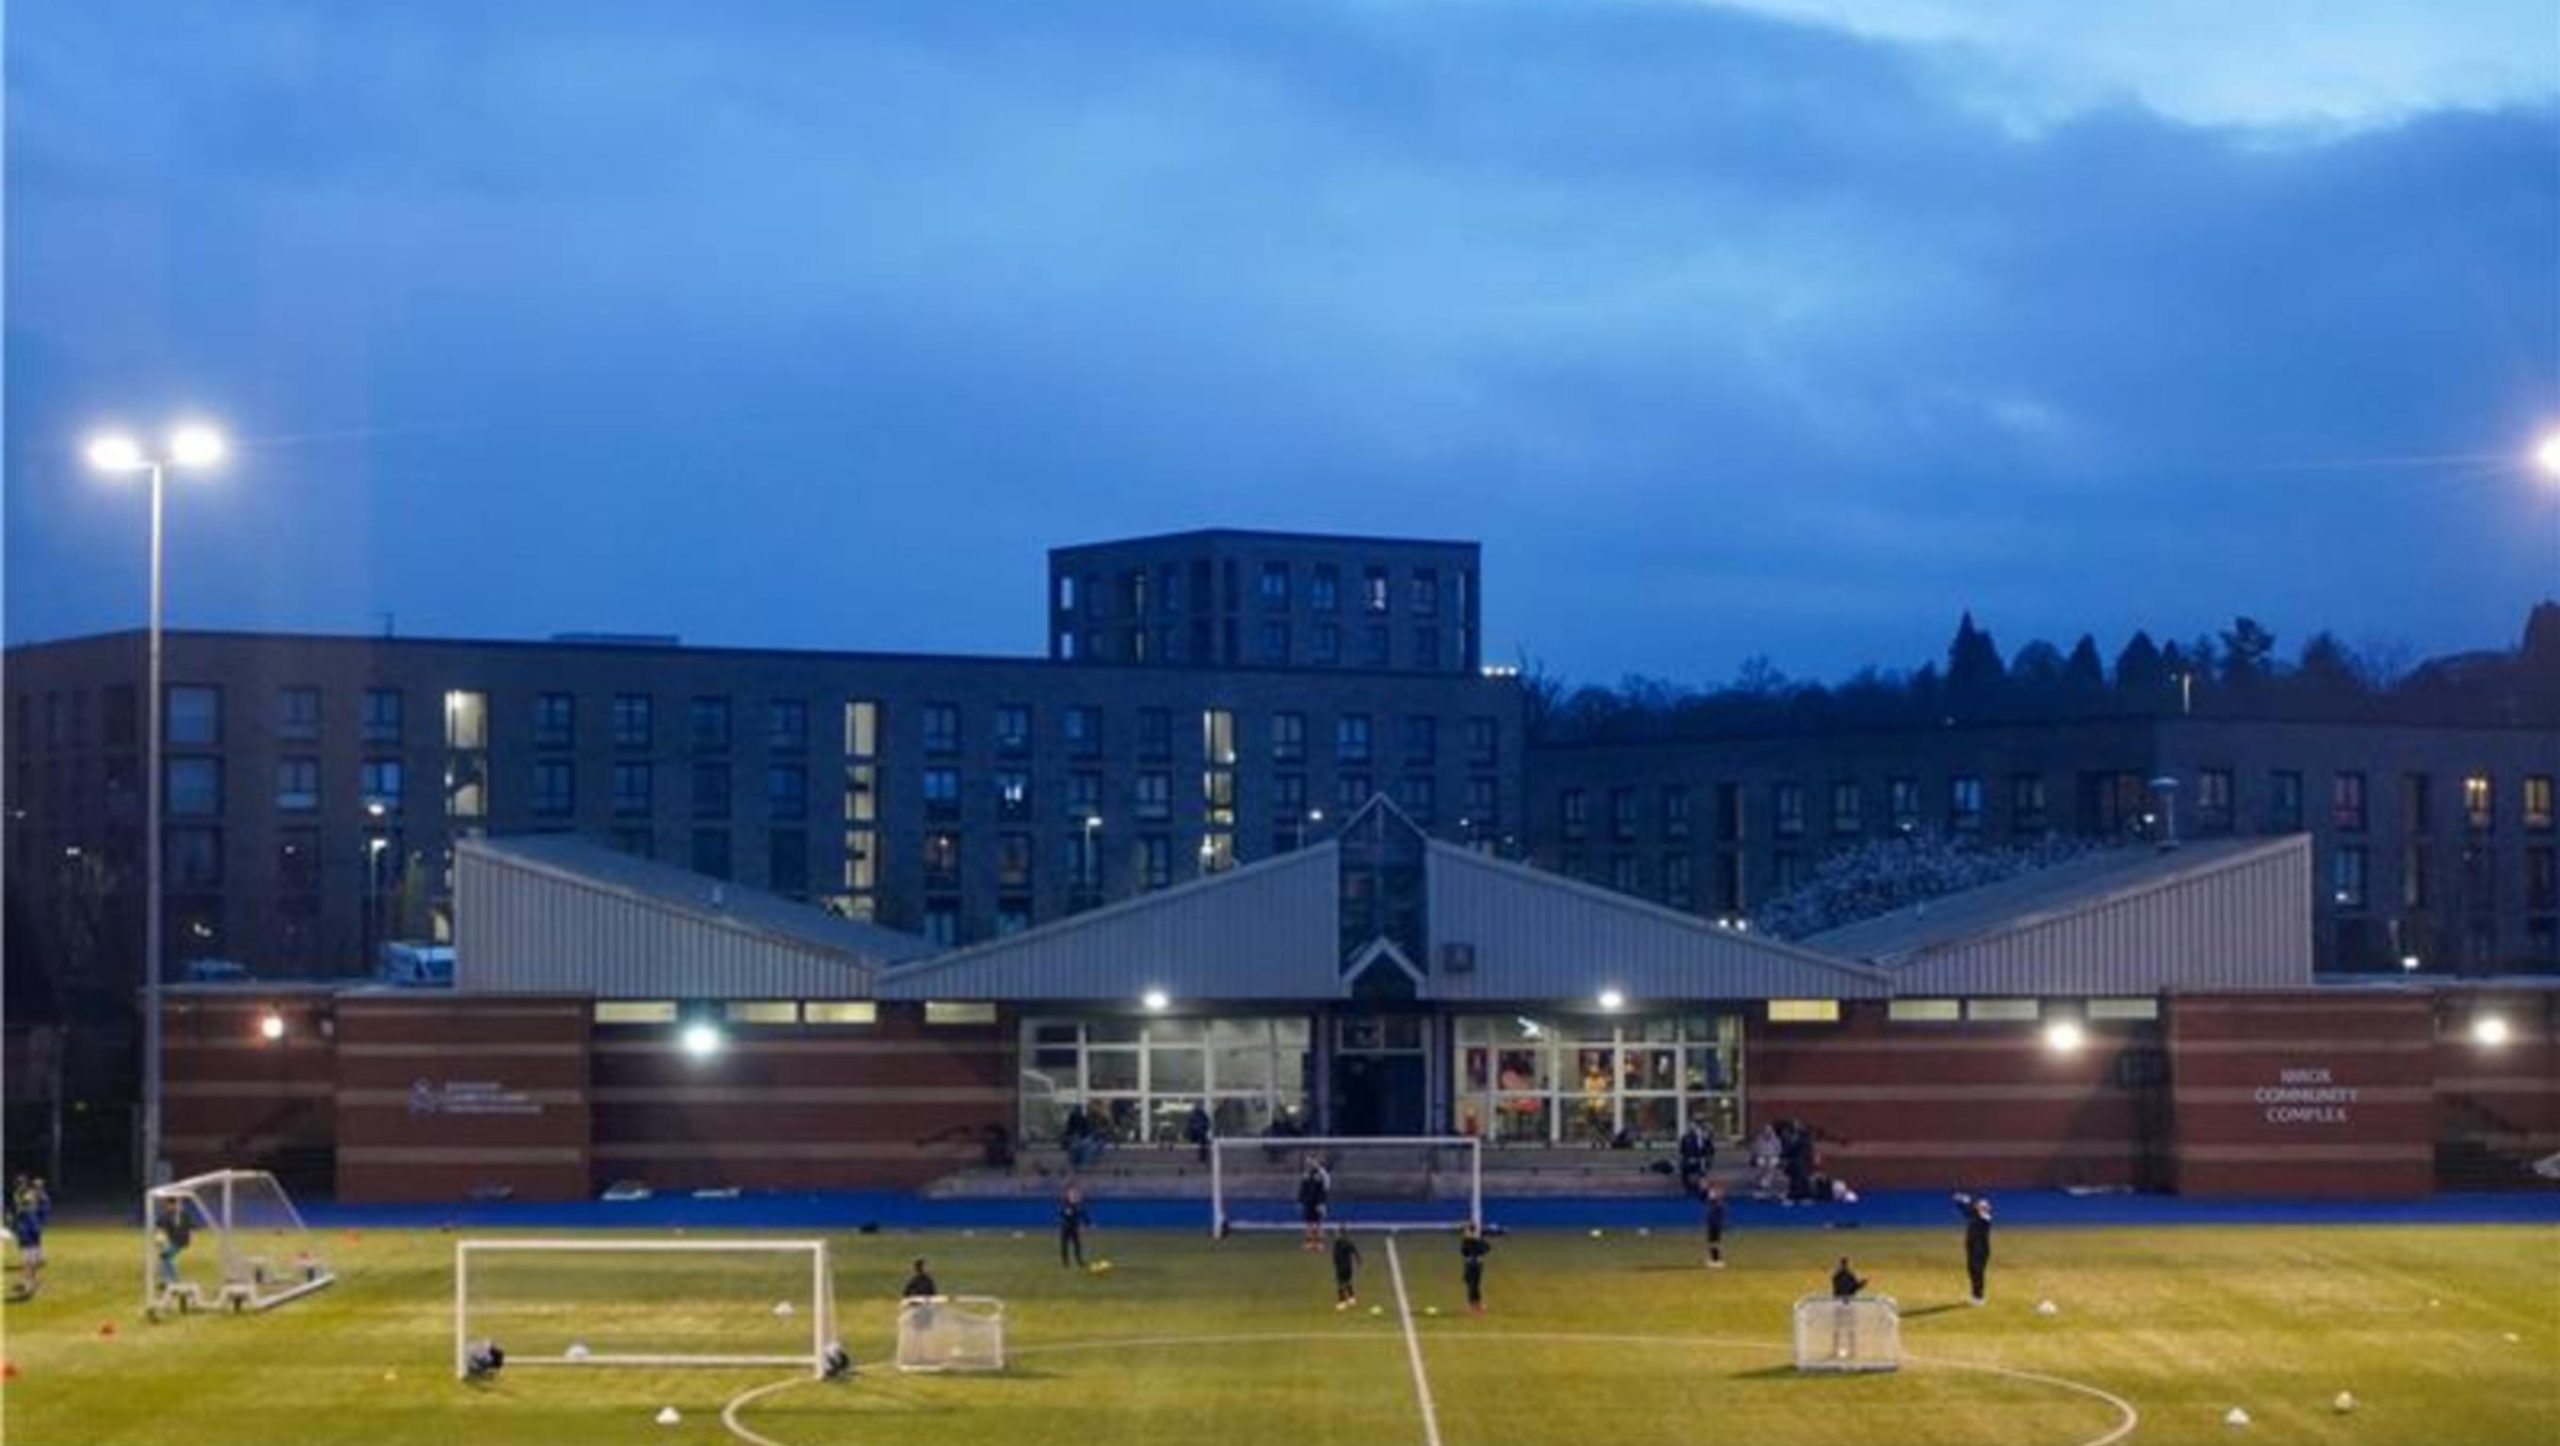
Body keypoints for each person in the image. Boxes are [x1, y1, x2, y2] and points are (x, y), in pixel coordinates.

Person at [1955, 1193, 1994, 1305]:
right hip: (1973, 1248)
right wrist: (1961, 1203)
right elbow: (1967, 1212)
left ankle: (1979, 1297)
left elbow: (1972, 1211)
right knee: (1972, 1271)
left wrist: (1967, 1200)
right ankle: (1974, 1296)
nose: (1980, 1207)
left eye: (1982, 1206)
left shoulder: (1985, 1217)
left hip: (1981, 1250)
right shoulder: (1975, 1215)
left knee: (1978, 1272)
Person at [154, 1198, 195, 1298]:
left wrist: (190, 1236)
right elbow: (158, 1226)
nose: (171, 1207)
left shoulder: (183, 1215)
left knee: (165, 1257)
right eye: (169, 1205)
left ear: (177, 1205)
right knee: (166, 1259)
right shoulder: (165, 1215)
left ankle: (172, 1282)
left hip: (180, 1241)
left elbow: (191, 1227)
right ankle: (168, 1281)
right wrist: (158, 1236)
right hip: (171, 1241)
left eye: (173, 1204)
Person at [1297, 1156, 1332, 1252]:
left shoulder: (1319, 1176)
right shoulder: (1306, 1176)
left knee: (1317, 1224)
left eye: (1310, 1163)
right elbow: (1302, 1189)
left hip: (1316, 1203)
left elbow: (1322, 1190)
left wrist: (1321, 1203)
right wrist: (1301, 1201)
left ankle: (1319, 1244)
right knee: (1309, 1224)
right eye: (1307, 1163)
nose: (1309, 1165)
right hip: (1308, 1203)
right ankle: (1309, 1244)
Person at [1458, 1223, 1492, 1314]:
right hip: (1470, 1265)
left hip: (1475, 1266)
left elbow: (1487, 1247)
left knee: (1474, 1286)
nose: (1465, 1233)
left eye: (1467, 1231)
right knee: (1471, 1286)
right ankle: (1472, 1305)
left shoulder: (1477, 1241)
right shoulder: (1466, 1242)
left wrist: (1479, 1254)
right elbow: (1464, 1251)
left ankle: (1477, 1304)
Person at [1677, 1118, 1714, 1199]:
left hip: (1700, 1159)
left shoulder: (1704, 1137)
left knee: (1701, 1169)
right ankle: (1688, 1187)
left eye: (1695, 1125)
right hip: (1688, 1159)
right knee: (1684, 1167)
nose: (1692, 1127)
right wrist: (1688, 1158)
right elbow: (1682, 1151)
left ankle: (1703, 1190)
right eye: (1691, 1125)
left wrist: (1706, 1157)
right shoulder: (1686, 1137)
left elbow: (1710, 1149)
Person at [1330, 1229, 1362, 1310]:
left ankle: (1342, 1301)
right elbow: (1355, 1251)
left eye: (1337, 1233)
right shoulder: (1349, 1243)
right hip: (1348, 1266)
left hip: (1341, 1266)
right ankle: (1352, 1298)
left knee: (1340, 1283)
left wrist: (1335, 1264)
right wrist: (1359, 1260)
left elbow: (1335, 1256)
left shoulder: (1337, 1244)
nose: (1336, 1235)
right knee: (1348, 1281)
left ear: (1340, 1234)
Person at [1058, 1183, 1088, 1268]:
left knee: (1077, 1245)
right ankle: (1065, 1262)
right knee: (1064, 1245)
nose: (1075, 1195)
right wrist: (1069, 1211)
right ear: (1068, 1194)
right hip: (1065, 1228)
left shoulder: (1078, 1205)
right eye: (1072, 1193)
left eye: (1076, 1193)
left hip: (1074, 1228)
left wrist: (1089, 1224)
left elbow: (1084, 1214)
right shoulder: (1065, 1204)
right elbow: (1063, 1213)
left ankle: (1079, 1261)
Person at [1703, 1182, 1728, 1269]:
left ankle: (1716, 1260)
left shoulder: (1718, 1205)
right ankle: (1714, 1260)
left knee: (1714, 1243)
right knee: (1713, 1242)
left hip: (1714, 1226)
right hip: (1714, 1225)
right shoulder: (1716, 1205)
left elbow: (1717, 1216)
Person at [1186, 1101, 1213, 1165]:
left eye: (1199, 1105)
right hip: (1195, 1135)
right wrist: (1197, 1127)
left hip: (1200, 1135)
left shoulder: (1202, 1114)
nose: (1199, 1107)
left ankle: (1203, 1159)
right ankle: (1202, 1159)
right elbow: (1190, 1125)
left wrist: (1202, 1127)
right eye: (1197, 1105)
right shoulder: (1193, 1115)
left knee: (1203, 1141)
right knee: (1202, 1139)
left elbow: (1208, 1124)